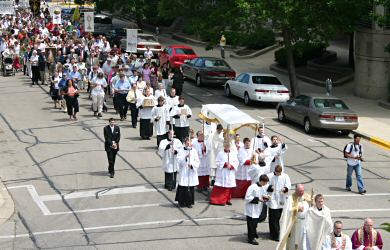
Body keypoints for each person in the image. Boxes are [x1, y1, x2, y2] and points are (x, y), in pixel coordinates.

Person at [277, 184, 312, 250]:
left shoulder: (306, 196)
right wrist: (297, 208)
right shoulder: (291, 198)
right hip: (295, 223)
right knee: (294, 239)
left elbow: (312, 204)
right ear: (296, 190)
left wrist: (313, 201)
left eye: (302, 191)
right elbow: (288, 209)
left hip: (305, 222)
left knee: (303, 239)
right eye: (300, 191)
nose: (302, 193)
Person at [209, 141, 239, 206]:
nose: (227, 147)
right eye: (226, 146)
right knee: (221, 187)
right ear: (224, 146)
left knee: (229, 187)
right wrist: (225, 164)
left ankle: (228, 199)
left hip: (230, 172)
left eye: (228, 146)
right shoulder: (220, 153)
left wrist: (231, 166)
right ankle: (219, 201)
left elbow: (236, 162)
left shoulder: (233, 154)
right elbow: (217, 162)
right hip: (222, 173)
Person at [267, 165, 292, 241]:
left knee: (277, 217)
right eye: (276, 173)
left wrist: (285, 189)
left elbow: (288, 185)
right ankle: (275, 234)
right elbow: (266, 185)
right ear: (275, 171)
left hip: (281, 198)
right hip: (273, 199)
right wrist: (270, 187)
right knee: (273, 217)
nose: (277, 174)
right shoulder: (270, 176)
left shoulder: (285, 176)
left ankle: (273, 233)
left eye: (279, 173)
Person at [245, 174, 270, 245]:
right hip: (251, 209)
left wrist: (266, 197)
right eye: (265, 182)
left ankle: (254, 234)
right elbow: (247, 198)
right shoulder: (252, 187)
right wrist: (258, 199)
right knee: (251, 224)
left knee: (255, 223)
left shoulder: (262, 187)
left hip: (257, 209)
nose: (266, 184)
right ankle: (251, 239)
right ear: (261, 181)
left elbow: (261, 195)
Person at [175, 137, 200, 208]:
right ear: (184, 143)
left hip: (191, 171)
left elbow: (197, 161)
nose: (188, 143)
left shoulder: (194, 151)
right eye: (187, 142)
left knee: (190, 187)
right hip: (184, 171)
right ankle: (181, 202)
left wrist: (192, 165)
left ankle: (189, 202)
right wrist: (185, 157)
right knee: (183, 186)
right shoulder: (181, 150)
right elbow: (178, 160)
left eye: (189, 142)